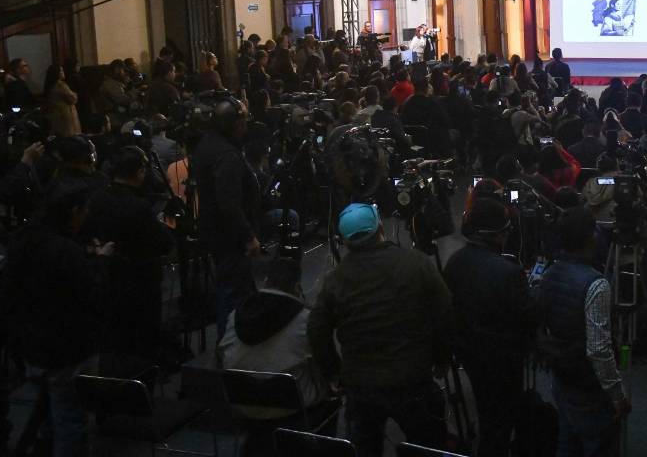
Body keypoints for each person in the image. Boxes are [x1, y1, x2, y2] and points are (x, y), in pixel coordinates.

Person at [309, 203, 455, 456]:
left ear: (344, 240)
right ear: (379, 228)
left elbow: (316, 330)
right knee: (428, 446)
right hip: (413, 378)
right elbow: (445, 313)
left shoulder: (335, 280)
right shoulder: (416, 263)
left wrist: (333, 373)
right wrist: (442, 358)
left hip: (360, 385)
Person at [4, 184, 114, 456]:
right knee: (71, 422)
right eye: (85, 211)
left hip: (31, 342)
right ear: (75, 211)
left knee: (50, 416)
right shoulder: (65, 251)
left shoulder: (23, 240)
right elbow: (91, 294)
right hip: (67, 348)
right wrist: (101, 262)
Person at [444, 197, 537, 457]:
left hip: (469, 353)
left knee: (487, 411)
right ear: (496, 234)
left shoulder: (455, 262)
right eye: (506, 231)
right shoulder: (509, 272)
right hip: (503, 359)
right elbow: (527, 315)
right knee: (500, 421)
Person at [538, 207, 630, 456]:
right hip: (589, 386)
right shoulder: (596, 285)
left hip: (562, 376)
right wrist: (617, 395)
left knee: (568, 441)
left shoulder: (549, 273)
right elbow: (599, 349)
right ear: (591, 238)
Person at [84, 146, 175, 365]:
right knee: (141, 342)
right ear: (140, 171)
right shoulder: (137, 207)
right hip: (139, 280)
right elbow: (164, 243)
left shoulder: (96, 198)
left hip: (107, 275)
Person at [218, 259, 331, 426]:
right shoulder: (306, 319)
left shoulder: (234, 316)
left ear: (266, 281)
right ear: (297, 288)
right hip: (292, 408)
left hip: (242, 405)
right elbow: (326, 361)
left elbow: (221, 355)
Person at [192, 98, 263, 335]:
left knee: (234, 286)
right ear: (235, 124)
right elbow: (229, 203)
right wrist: (248, 236)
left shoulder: (208, 143)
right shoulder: (226, 155)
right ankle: (229, 343)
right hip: (228, 234)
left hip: (215, 228)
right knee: (231, 291)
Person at [44, 64, 81, 137]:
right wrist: (75, 94)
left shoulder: (51, 85)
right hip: (66, 114)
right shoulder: (60, 85)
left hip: (57, 114)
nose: (63, 72)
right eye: (61, 70)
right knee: (70, 137)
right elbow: (72, 98)